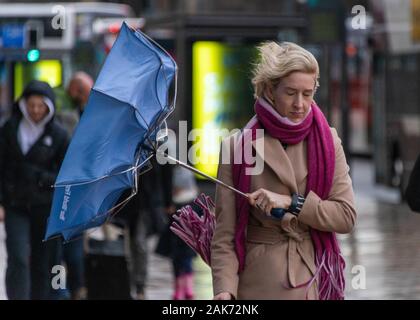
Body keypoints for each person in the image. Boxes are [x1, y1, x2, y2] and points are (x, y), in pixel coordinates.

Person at [211, 42, 356, 300]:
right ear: (270, 90)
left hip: (312, 277)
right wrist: (224, 290)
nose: (300, 104)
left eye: (307, 93)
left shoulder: (328, 141)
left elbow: (345, 216)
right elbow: (225, 235)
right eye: (290, 92)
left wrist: (293, 203)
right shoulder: (236, 146)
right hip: (257, 282)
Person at [0, 80, 69, 299]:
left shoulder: (59, 135)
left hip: (45, 207)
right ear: (23, 105)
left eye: (41, 106)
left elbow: (66, 174)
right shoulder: (9, 129)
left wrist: (40, 177)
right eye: (32, 105)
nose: (36, 110)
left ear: (49, 107)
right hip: (15, 205)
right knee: (18, 257)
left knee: (43, 260)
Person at [155, 164, 199, 300]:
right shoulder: (183, 173)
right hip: (182, 231)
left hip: (181, 227)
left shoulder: (177, 173)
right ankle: (184, 288)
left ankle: (183, 288)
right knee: (182, 258)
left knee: (182, 258)